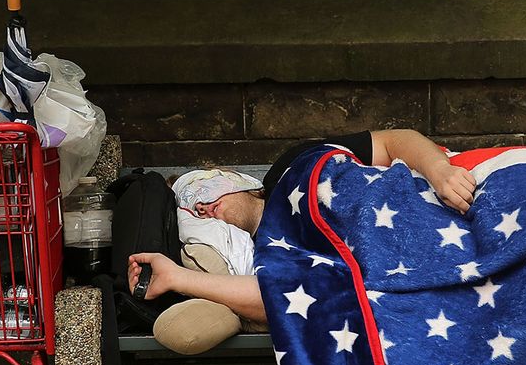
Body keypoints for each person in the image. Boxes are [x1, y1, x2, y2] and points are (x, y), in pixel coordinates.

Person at [128, 129, 476, 336]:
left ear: (239, 180)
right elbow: (273, 297)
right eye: (193, 210)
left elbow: (395, 140)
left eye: (202, 190)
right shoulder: (267, 252)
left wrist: (439, 170)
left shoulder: (291, 165)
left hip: (446, 208)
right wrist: (177, 277)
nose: (201, 206)